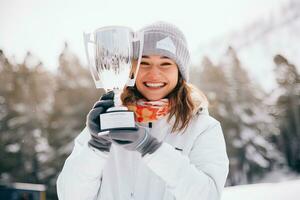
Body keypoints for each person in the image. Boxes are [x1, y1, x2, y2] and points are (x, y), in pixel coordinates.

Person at [56, 21, 229, 200]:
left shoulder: (202, 128)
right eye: (144, 63)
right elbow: (69, 196)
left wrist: (151, 148)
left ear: (180, 72)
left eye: (165, 63)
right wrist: (96, 148)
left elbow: (207, 196)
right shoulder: (106, 122)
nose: (154, 74)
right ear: (131, 69)